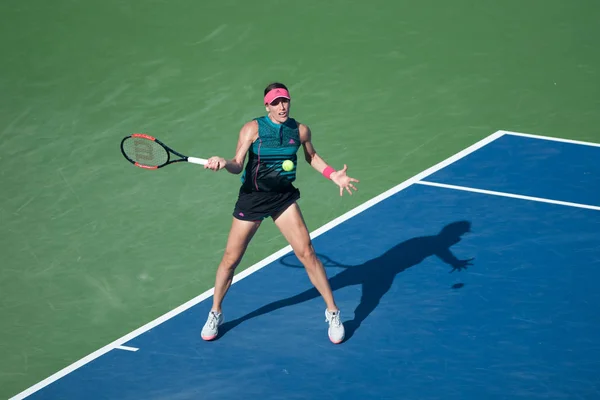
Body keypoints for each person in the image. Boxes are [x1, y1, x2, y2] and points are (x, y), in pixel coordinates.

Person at [201, 82, 359, 344]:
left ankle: (333, 311)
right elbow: (238, 164)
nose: (282, 106)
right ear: (267, 106)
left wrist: (334, 176)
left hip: (282, 198)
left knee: (307, 252)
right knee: (230, 259)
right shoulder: (252, 129)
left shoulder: (300, 130)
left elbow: (312, 157)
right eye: (275, 103)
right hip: (253, 198)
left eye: (285, 101)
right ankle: (215, 312)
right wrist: (222, 162)